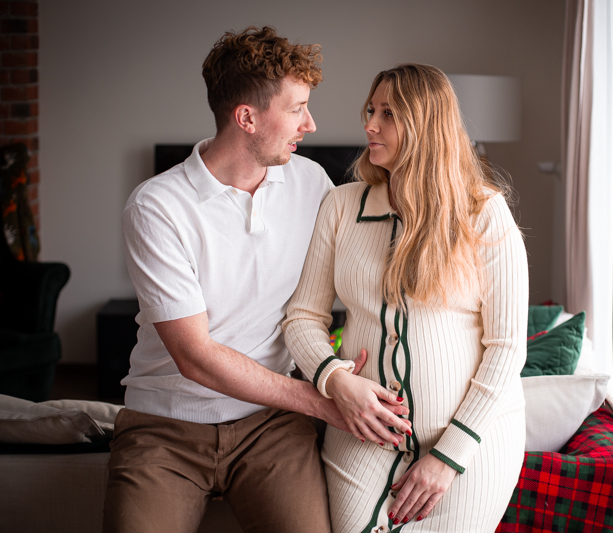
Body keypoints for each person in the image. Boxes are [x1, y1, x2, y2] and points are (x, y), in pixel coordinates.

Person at [103, 26, 409, 533]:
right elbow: (194, 356)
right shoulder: (157, 206)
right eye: (297, 109)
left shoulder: (311, 182)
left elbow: (371, 264)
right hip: (166, 425)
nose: (310, 124)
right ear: (246, 118)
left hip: (271, 425)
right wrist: (324, 401)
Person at [284, 64, 528, 533]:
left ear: (425, 124)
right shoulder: (341, 206)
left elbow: (506, 348)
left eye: (389, 114)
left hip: (471, 442)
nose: (370, 125)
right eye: (371, 111)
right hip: (362, 433)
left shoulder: (484, 212)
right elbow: (302, 317)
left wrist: (449, 457)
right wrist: (335, 379)